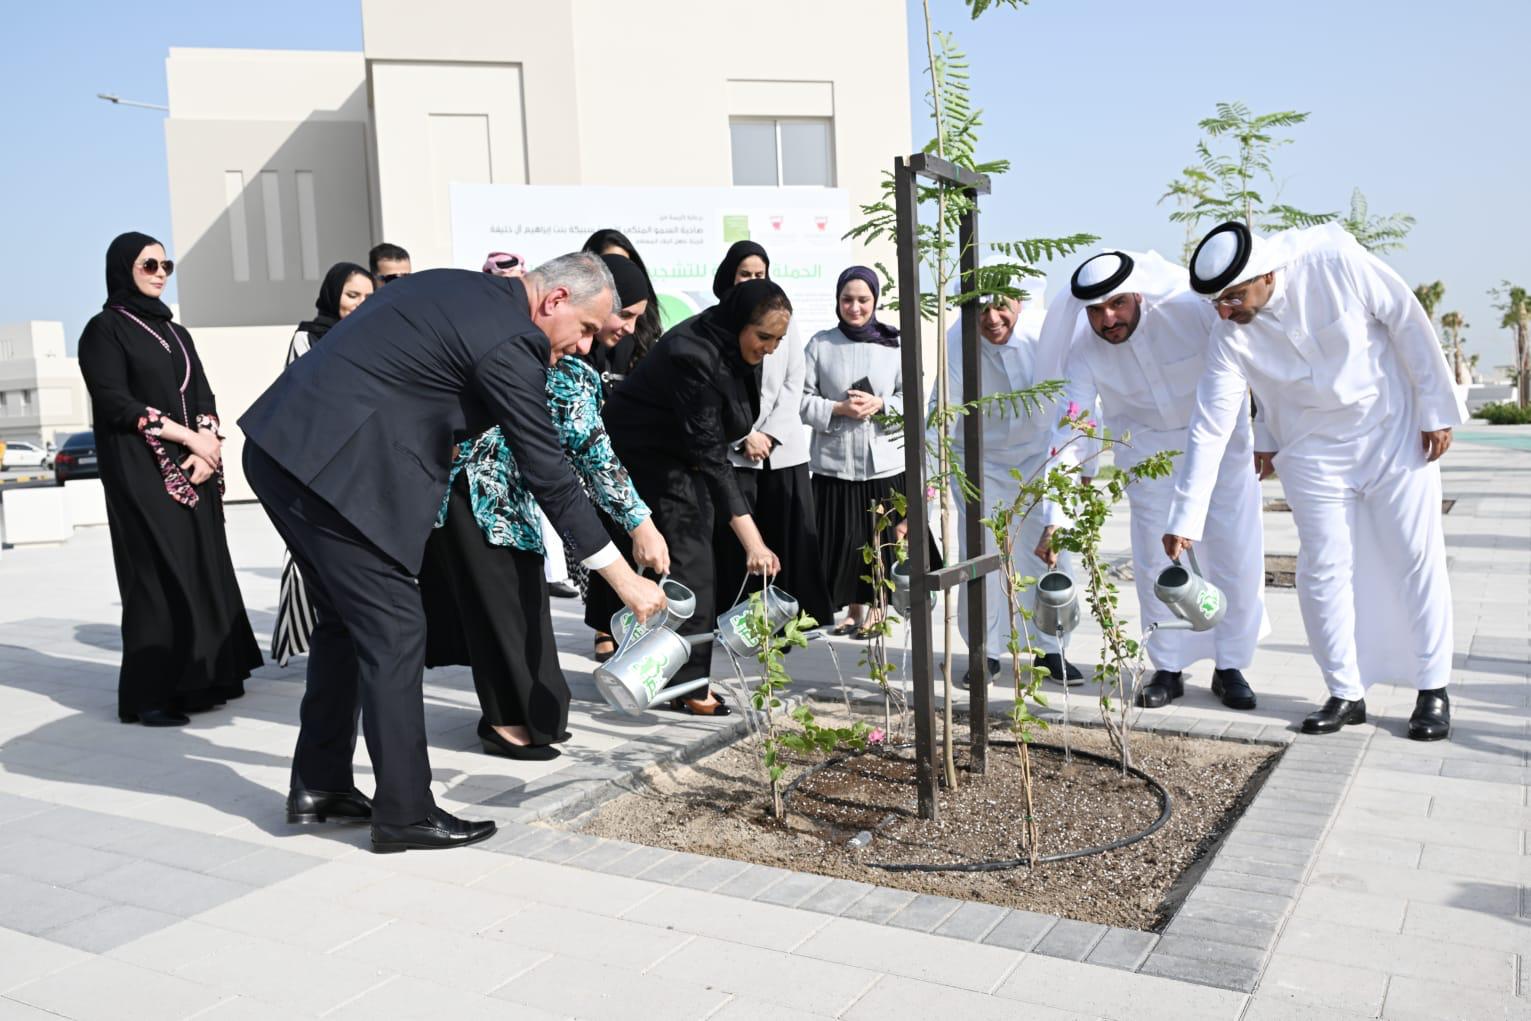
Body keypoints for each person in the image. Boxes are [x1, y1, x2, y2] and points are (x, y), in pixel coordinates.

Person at [240, 252, 667, 852]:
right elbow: (549, 472)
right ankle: (405, 812)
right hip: (331, 471)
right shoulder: (513, 340)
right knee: (395, 629)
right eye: (587, 328)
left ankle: (321, 784)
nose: (585, 345)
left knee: (345, 623)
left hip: (284, 449)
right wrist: (623, 579)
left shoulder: (458, 288)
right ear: (555, 300)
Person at [1164, 221, 1464, 740]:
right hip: (1311, 450)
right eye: (1215, 302)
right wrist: (1185, 518)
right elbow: (1210, 425)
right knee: (1321, 571)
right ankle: (1345, 692)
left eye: (1232, 298)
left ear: (1266, 275)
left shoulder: (1335, 265)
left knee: (1415, 557)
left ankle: (1433, 690)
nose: (1224, 312)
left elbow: (1407, 320)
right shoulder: (1227, 335)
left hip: (1392, 431)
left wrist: (1436, 408)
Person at [421, 253, 668, 758]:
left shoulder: (573, 371)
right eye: (621, 316)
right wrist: (636, 530)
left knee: (523, 607)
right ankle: (505, 721)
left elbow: (595, 455)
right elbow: (580, 462)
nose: (626, 328)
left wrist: (638, 521)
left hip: (516, 505)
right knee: (497, 609)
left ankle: (533, 718)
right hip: (470, 497)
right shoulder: (513, 348)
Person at [1034, 250, 1265, 709]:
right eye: (1096, 310)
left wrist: (1270, 434)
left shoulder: (1191, 313)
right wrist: (1054, 516)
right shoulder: (1084, 351)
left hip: (1221, 449)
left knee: (1232, 557)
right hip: (1146, 457)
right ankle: (1167, 668)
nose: (1108, 319)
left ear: (1138, 294)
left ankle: (1231, 666)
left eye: (1117, 304)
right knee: (1154, 563)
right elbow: (1072, 429)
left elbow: (1251, 364)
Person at [77, 232, 262, 727]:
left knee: (203, 567)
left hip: (194, 467)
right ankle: (151, 695)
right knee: (157, 575)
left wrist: (209, 444)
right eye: (149, 265)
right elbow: (115, 402)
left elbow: (202, 392)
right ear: (124, 269)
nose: (160, 273)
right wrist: (189, 438)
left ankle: (205, 680)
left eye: (166, 265)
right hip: (140, 470)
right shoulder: (104, 330)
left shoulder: (176, 332)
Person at [600, 279, 788, 715]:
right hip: (647, 456)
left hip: (681, 456)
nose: (770, 348)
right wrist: (754, 544)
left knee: (686, 559)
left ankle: (664, 673)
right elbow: (710, 455)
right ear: (741, 322)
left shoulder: (731, 345)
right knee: (691, 564)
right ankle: (689, 687)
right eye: (764, 337)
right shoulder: (693, 354)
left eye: (778, 340)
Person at [930, 274, 1084, 687]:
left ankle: (1053, 648)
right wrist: (927, 489)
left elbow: (1074, 405)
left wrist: (1078, 469)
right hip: (979, 461)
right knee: (982, 557)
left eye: (1001, 306)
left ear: (1020, 303)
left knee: (1050, 551)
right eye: (981, 309)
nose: (992, 318)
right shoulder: (957, 341)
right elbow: (940, 417)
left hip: (1040, 458)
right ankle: (985, 651)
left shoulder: (1043, 336)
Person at [710, 243, 833, 630]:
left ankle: (789, 624)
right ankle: (740, 626)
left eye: (759, 274)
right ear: (730, 276)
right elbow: (717, 390)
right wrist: (744, 435)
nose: (751, 281)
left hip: (782, 451)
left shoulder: (783, 317)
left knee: (788, 539)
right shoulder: (716, 323)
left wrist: (769, 434)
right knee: (739, 543)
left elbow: (794, 381)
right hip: (736, 451)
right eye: (744, 274)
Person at [271, 262, 375, 667]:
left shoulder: (375, 336)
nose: (360, 304)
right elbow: (301, 398)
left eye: (367, 296)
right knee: (313, 564)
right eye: (352, 295)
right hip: (318, 466)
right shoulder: (308, 337)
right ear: (333, 295)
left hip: (363, 468)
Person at [802, 267, 911, 640]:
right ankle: (853, 610)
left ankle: (878, 608)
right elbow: (799, 399)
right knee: (846, 542)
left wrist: (880, 404)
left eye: (863, 300)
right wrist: (837, 409)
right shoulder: (821, 344)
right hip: (835, 462)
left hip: (882, 464)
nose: (855, 307)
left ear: (875, 301)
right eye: (847, 299)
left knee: (879, 540)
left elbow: (912, 398)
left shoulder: (894, 344)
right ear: (837, 301)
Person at [582, 229, 664, 387]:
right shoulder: (566, 345)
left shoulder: (643, 335)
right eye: (609, 265)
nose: (621, 274)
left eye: (625, 264)